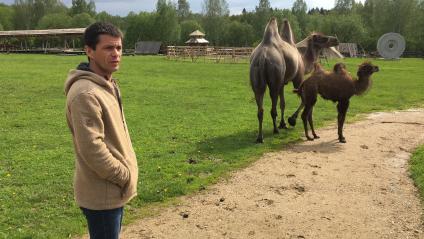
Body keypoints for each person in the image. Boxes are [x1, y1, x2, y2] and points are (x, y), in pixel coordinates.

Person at [64, 22, 138, 239]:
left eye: (119, 48)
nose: (116, 54)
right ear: (89, 51)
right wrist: (123, 175)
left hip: (111, 189)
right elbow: (92, 148)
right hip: (102, 192)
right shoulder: (85, 93)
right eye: (108, 48)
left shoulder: (107, 84)